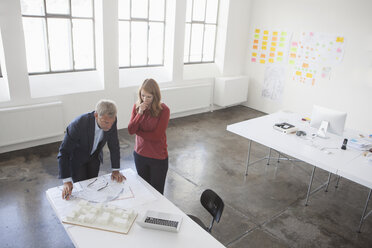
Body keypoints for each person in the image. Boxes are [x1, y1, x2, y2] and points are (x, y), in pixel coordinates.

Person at [58, 99, 126, 200]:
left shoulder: (111, 120)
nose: (109, 126)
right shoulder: (79, 124)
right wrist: (66, 181)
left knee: (93, 186)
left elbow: (114, 145)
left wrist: (115, 170)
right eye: (106, 122)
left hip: (94, 156)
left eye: (111, 123)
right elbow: (64, 152)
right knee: (82, 190)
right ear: (96, 115)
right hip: (77, 159)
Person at [128, 78, 170, 194]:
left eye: (149, 97)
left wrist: (139, 132)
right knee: (144, 191)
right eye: (143, 96)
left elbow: (156, 136)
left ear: (155, 96)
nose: (145, 100)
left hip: (157, 157)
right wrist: (140, 113)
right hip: (140, 155)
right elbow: (131, 130)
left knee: (157, 193)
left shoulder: (164, 110)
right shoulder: (137, 107)